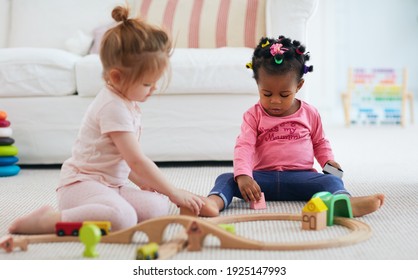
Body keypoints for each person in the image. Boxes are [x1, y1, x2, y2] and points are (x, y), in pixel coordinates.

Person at [9, 6, 204, 234]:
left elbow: (117, 158)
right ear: (116, 77)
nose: (153, 89)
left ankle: (107, 208)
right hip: (81, 187)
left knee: (157, 206)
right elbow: (136, 160)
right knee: (123, 218)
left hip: (110, 186)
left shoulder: (127, 102)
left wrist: (146, 184)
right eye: (146, 84)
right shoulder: (113, 107)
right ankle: (50, 220)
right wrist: (174, 191)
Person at [200, 36, 384, 217]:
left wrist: (328, 162)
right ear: (258, 85)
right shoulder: (253, 115)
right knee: (226, 178)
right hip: (262, 181)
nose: (275, 101)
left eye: (284, 94)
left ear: (299, 86)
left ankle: (344, 203)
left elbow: (320, 142)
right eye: (267, 93)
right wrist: (243, 176)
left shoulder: (310, 113)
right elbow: (244, 147)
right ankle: (213, 202)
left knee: (330, 180)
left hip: (302, 179)